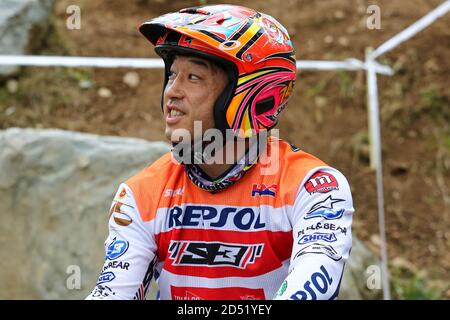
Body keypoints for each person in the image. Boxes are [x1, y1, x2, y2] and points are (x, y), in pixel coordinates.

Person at [87, 4, 354, 300]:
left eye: (193, 78)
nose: (171, 92)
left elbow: (310, 286)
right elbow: (113, 294)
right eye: (172, 74)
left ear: (248, 94)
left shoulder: (314, 187)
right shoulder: (140, 194)